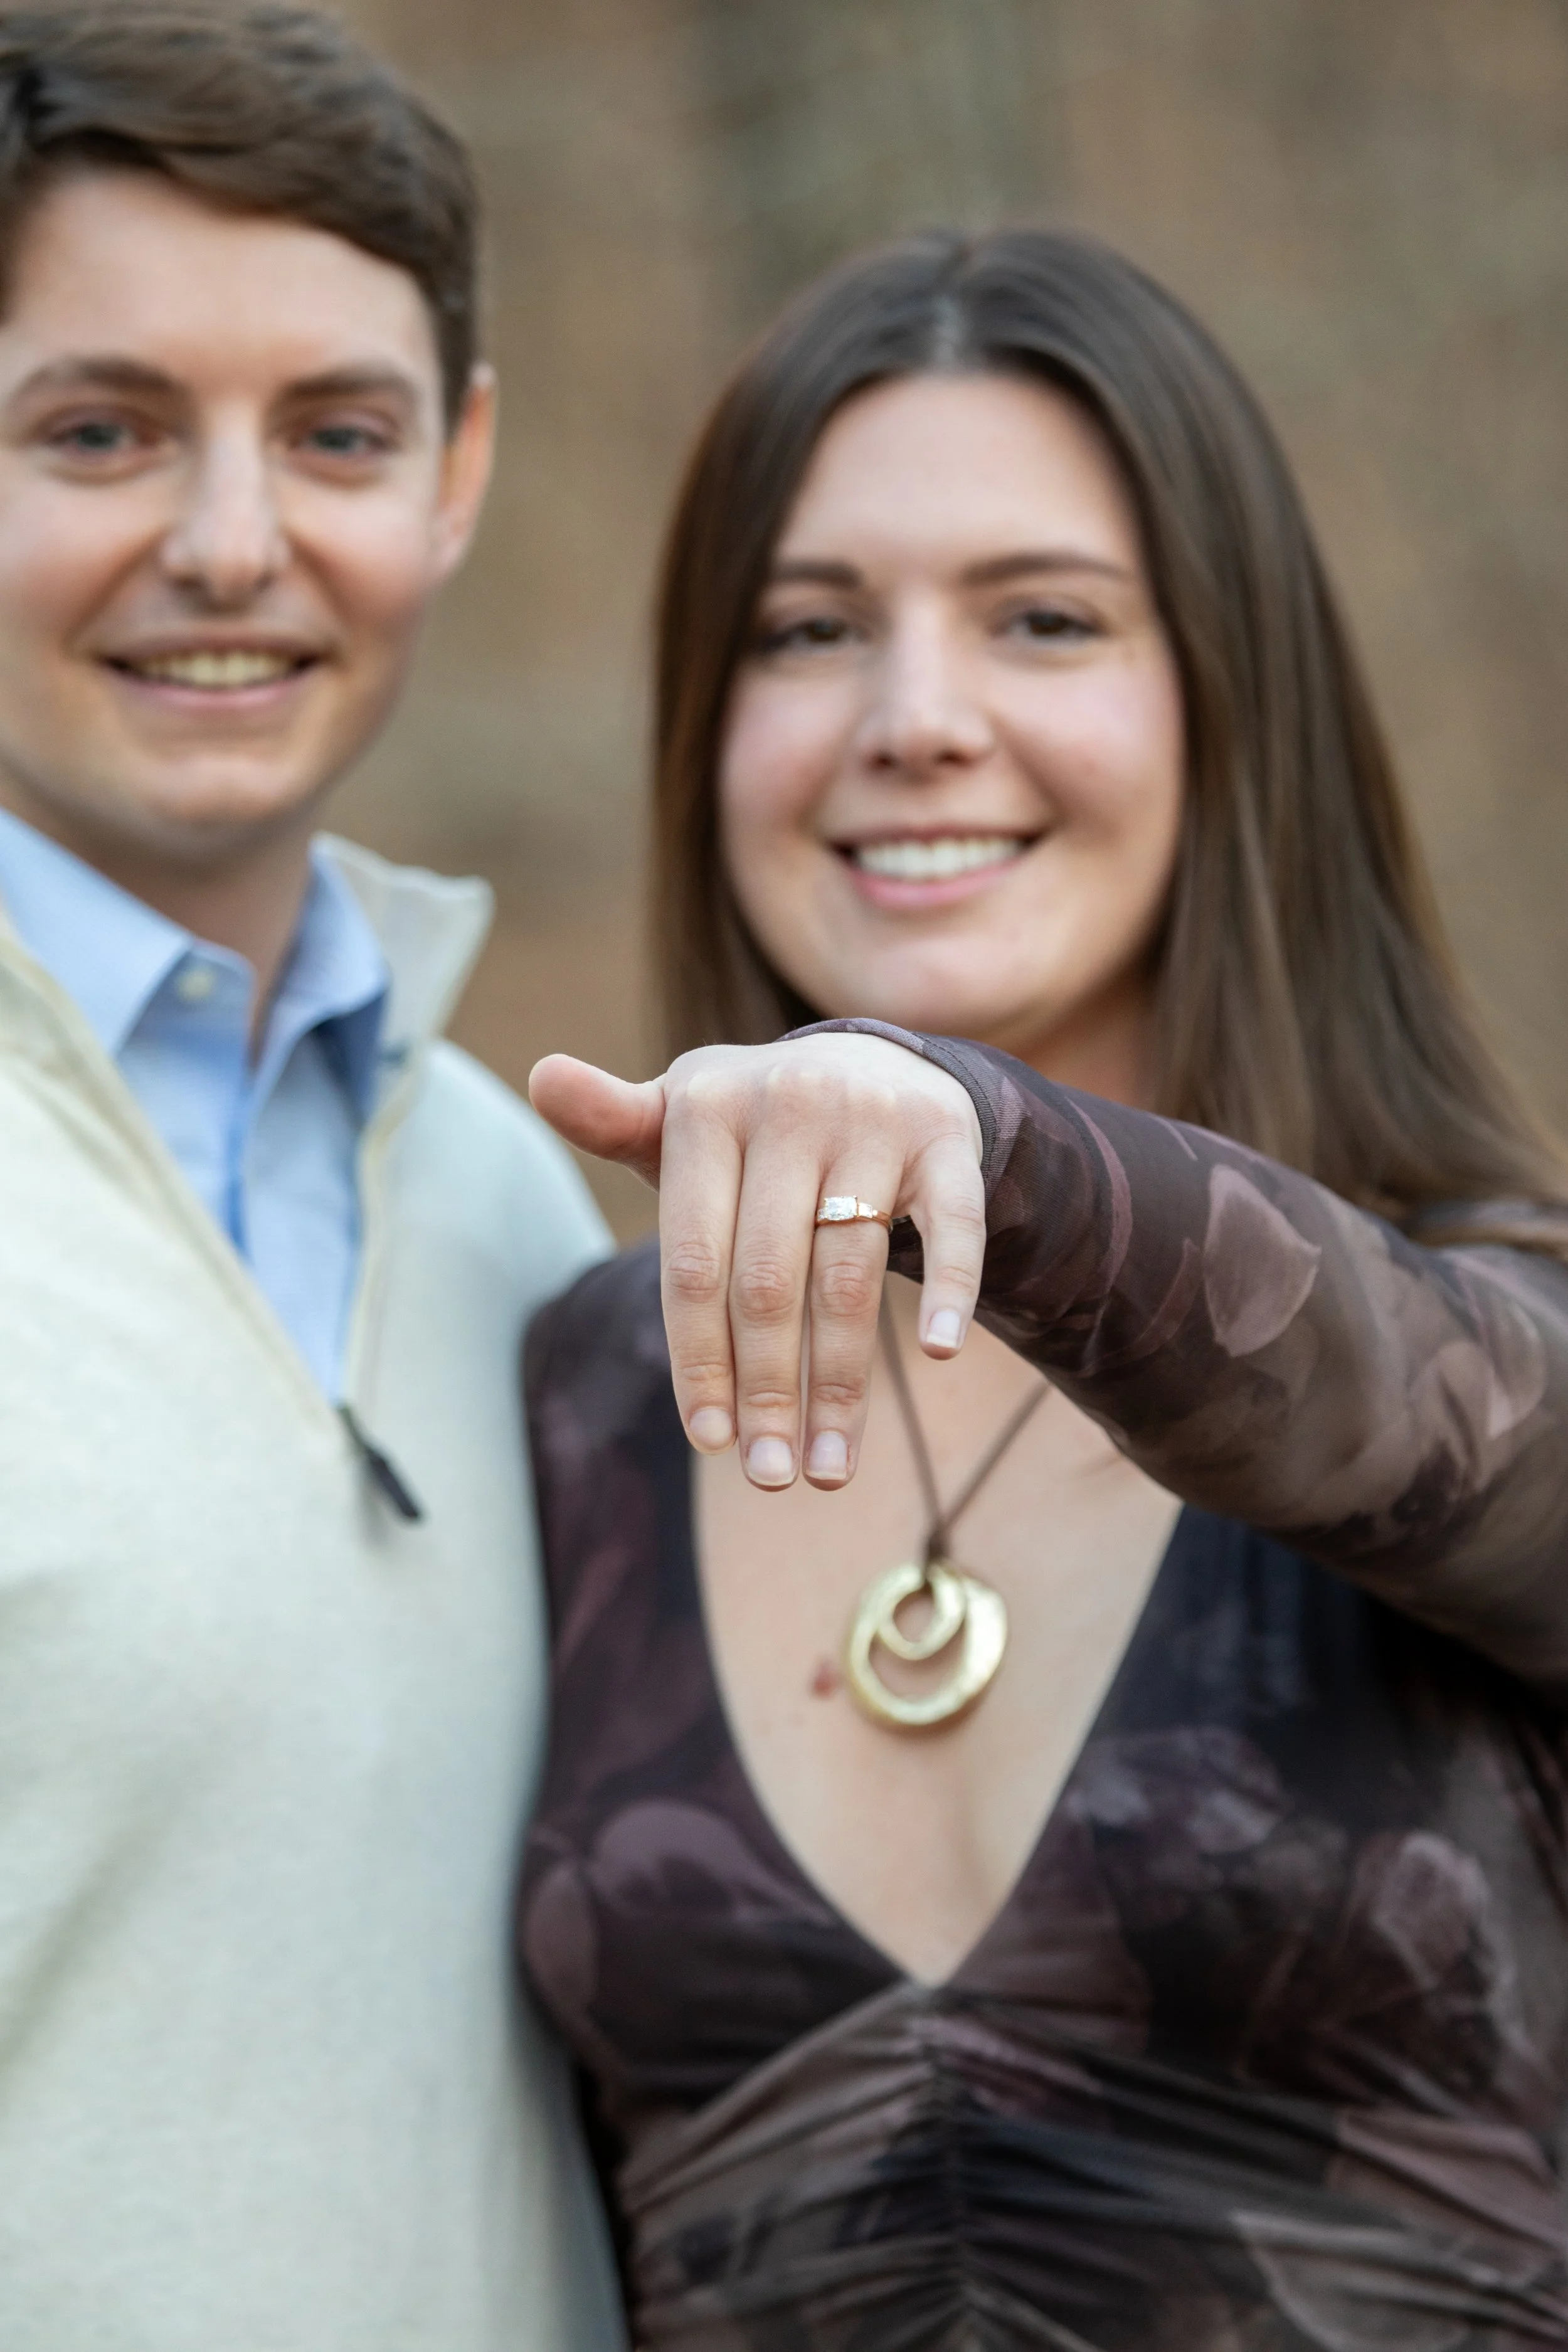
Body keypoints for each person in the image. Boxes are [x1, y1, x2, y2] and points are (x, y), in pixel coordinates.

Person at [524, 229, 1568, 2349]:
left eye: (1043, 619)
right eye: (808, 630)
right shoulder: (578, 1401)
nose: (916, 720)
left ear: (1227, 699)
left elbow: (1397, 1395)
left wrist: (974, 1136)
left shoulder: (1494, 1338)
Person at [0, 7, 623, 2347]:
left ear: (455, 473)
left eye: (335, 434)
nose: (232, 544)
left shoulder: (515, 1201)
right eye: (101, 431)